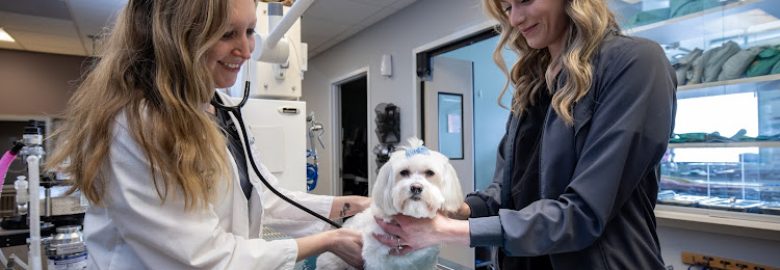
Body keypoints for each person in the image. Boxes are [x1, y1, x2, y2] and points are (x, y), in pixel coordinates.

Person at [46, 0, 369, 268]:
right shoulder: (137, 124)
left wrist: (349, 206)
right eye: (228, 34)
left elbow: (262, 197)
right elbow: (201, 258)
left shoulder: (221, 106)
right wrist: (328, 240)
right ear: (174, 38)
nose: (245, 50)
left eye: (250, 31)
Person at [374, 0, 676, 269]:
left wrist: (450, 232)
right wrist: (450, 209)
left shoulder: (635, 63)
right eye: (507, 8)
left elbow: (585, 213)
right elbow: (506, 193)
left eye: (525, 1)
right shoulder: (532, 85)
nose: (515, 19)